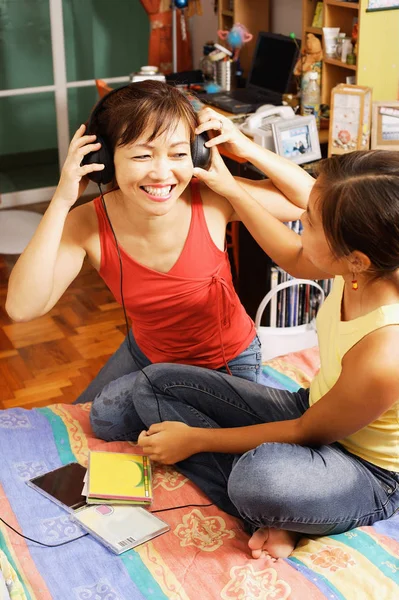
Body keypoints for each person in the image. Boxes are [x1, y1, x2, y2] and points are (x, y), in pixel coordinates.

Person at [131, 140, 399, 561]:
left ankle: (274, 511)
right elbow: (294, 257)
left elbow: (307, 432)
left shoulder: (387, 349)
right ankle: (277, 517)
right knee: (155, 382)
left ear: (357, 261)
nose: (300, 225)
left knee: (258, 480)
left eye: (309, 222)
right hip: (310, 407)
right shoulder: (361, 268)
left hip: (367, 470)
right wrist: (234, 189)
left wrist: (195, 440)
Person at [5, 81, 312, 441]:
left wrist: (246, 148)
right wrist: (61, 200)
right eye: (142, 155)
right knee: (93, 424)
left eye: (179, 154)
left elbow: (306, 201)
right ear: (103, 160)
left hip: (226, 360)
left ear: (197, 154)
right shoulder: (88, 222)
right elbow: (22, 308)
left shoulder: (212, 197)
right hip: (148, 351)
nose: (162, 174)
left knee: (110, 419)